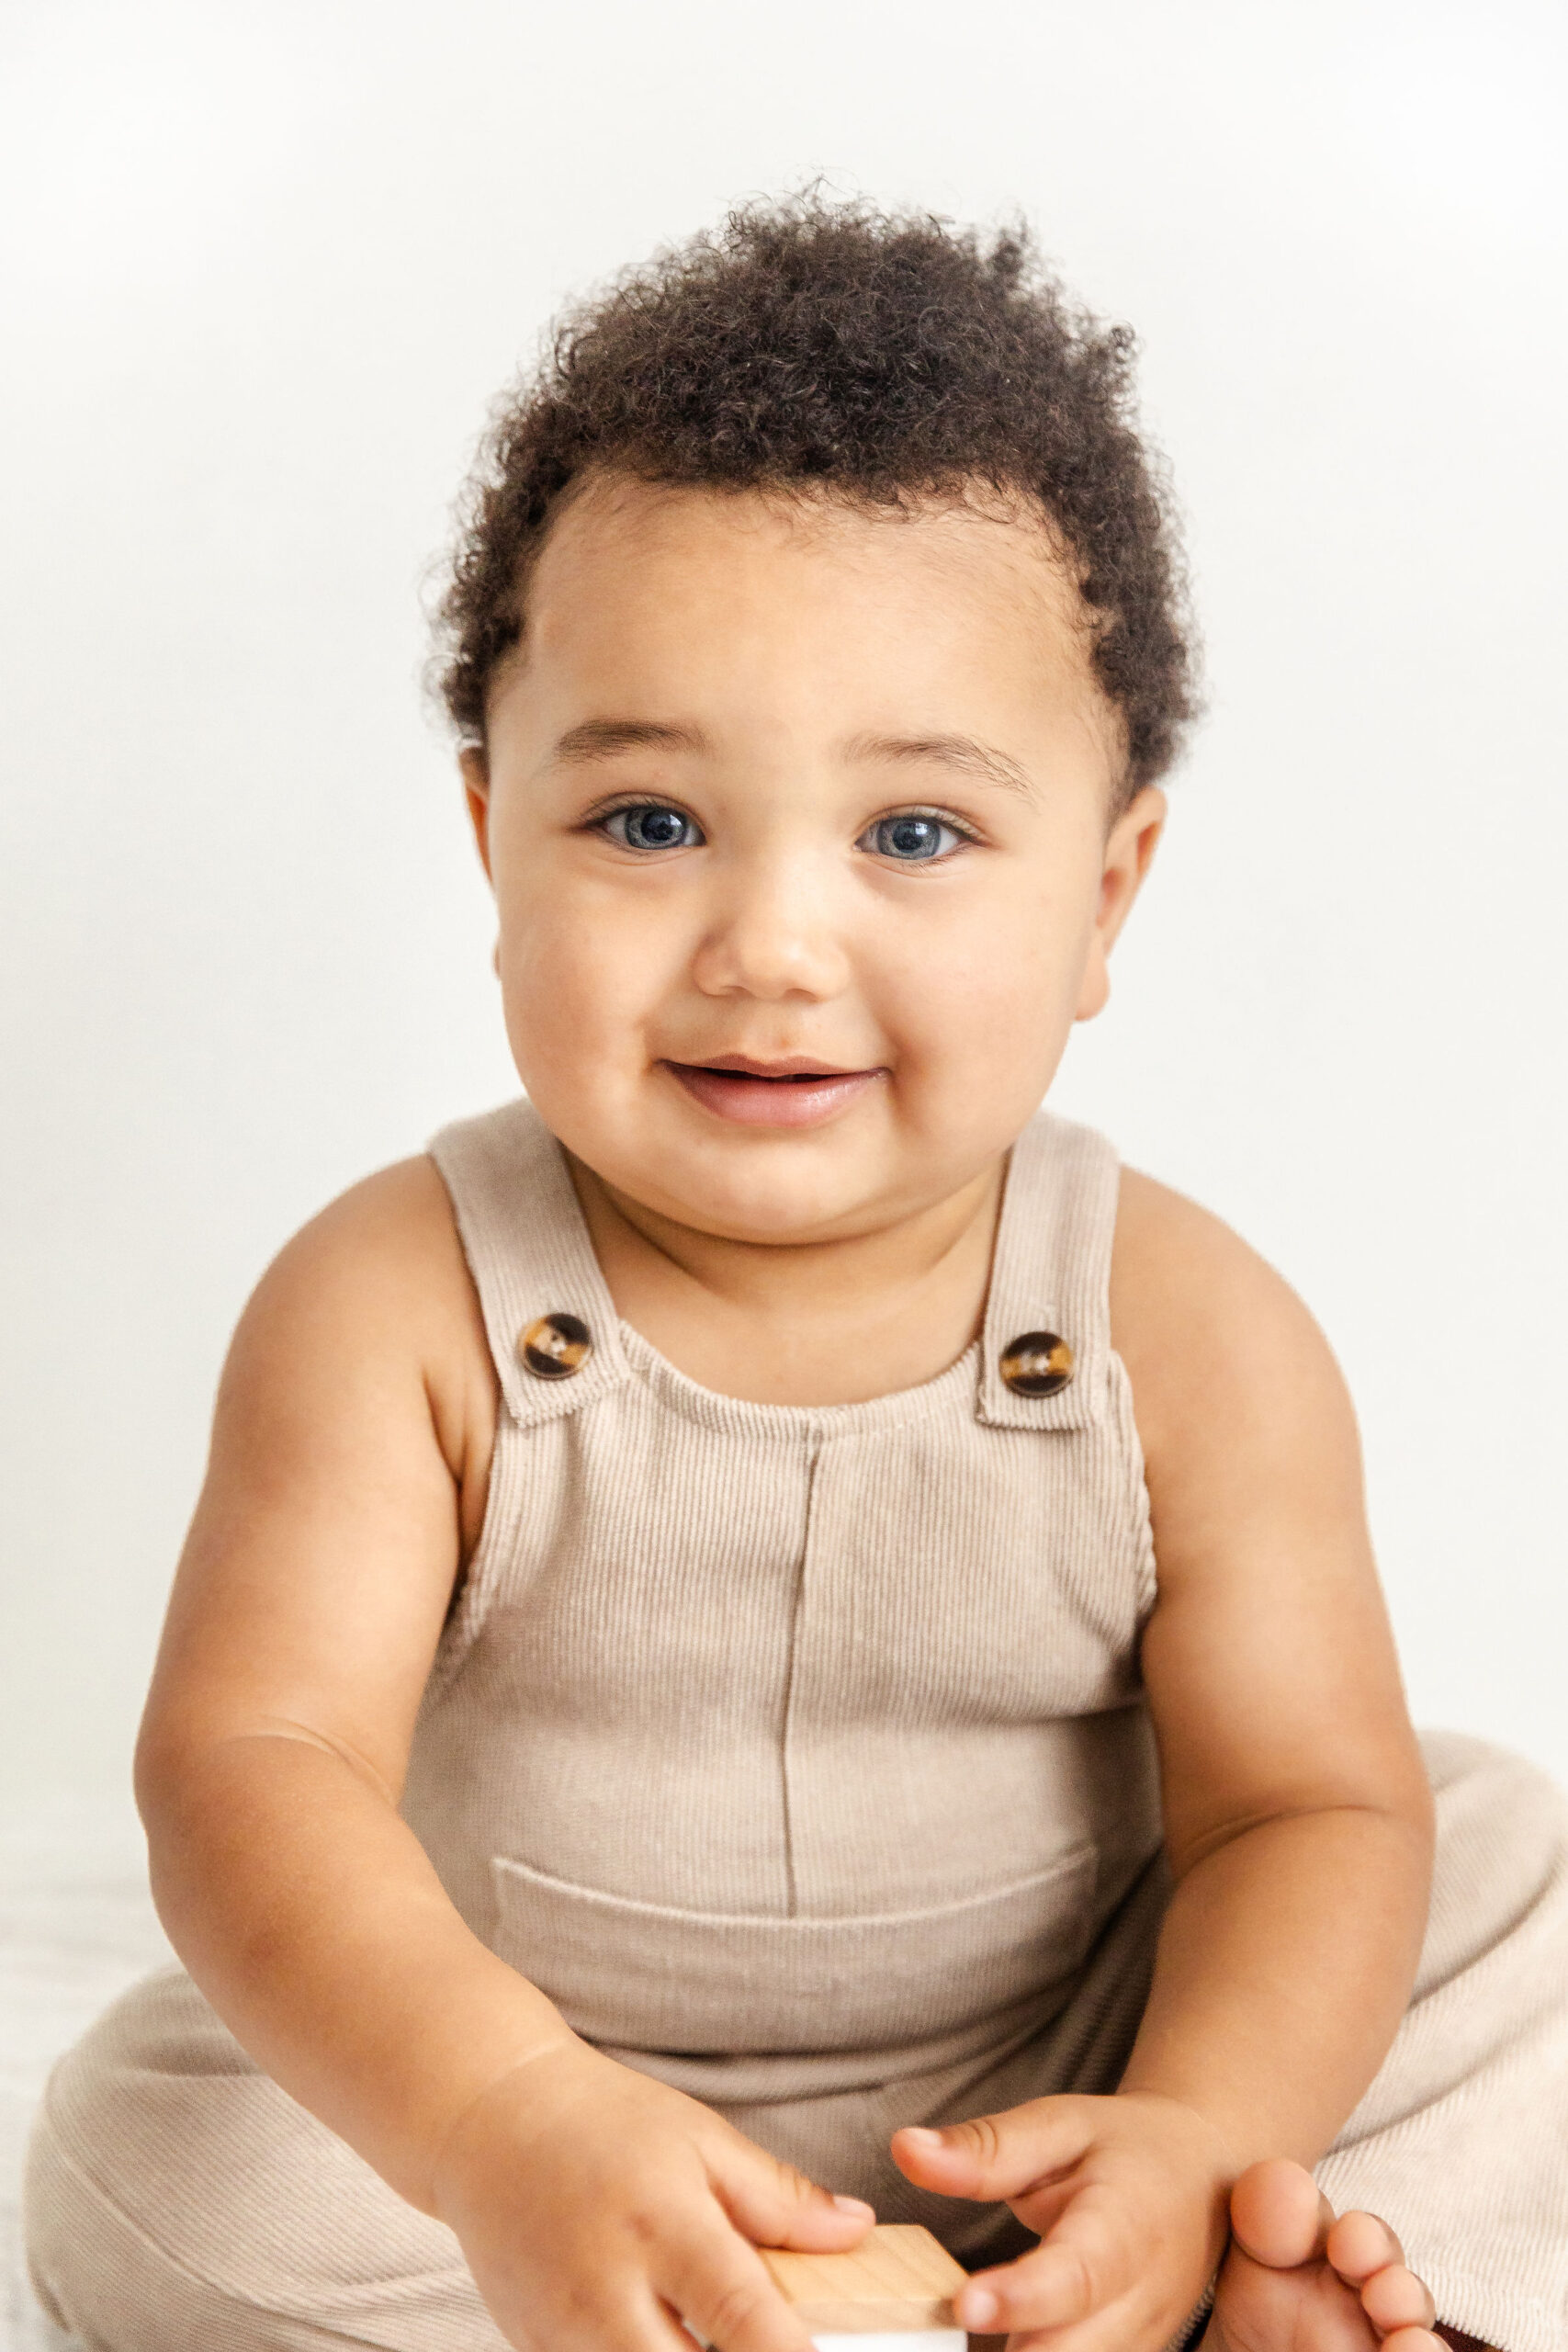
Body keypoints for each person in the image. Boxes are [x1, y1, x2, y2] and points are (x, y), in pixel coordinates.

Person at [24, 198, 1566, 2352]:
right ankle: (673, 2288)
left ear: (1105, 890)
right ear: (491, 845)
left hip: (1068, 2058)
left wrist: (1200, 2117)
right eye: (647, 821)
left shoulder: (1182, 1328)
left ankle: (1193, 2246)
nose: (766, 945)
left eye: (912, 834)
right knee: (150, 2143)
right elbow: (249, 1761)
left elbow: (1298, 1801)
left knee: (1495, 1861)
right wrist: (495, 2117)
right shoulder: (394, 1307)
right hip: (544, 2074)